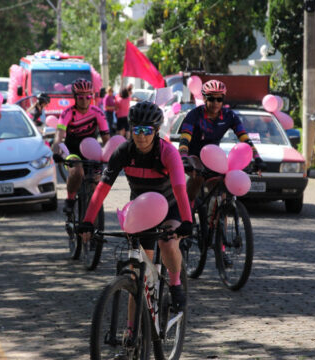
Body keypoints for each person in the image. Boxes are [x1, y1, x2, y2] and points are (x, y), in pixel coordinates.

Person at [78, 101, 193, 313]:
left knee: (167, 243)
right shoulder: (123, 151)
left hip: (170, 206)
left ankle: (176, 284)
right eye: (136, 129)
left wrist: (187, 221)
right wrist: (87, 220)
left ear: (157, 131)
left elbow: (179, 189)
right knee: (137, 274)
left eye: (147, 130)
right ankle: (132, 332)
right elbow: (103, 187)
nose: (141, 136)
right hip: (141, 210)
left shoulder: (168, 153)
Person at [179, 79, 266, 204]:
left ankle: (219, 215)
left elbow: (244, 138)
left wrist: (258, 158)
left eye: (219, 99)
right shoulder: (194, 115)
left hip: (214, 155)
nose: (215, 103)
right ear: (204, 99)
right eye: (211, 99)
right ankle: (186, 209)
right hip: (194, 154)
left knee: (220, 185)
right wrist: (183, 157)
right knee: (197, 178)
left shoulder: (229, 116)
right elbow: (184, 138)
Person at [52, 78, 110, 214]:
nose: (85, 100)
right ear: (75, 97)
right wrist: (55, 151)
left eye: (88, 96)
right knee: (77, 171)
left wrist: (113, 155)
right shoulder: (67, 113)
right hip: (72, 152)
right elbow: (59, 135)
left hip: (92, 152)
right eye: (81, 97)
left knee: (96, 183)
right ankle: (70, 200)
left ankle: (94, 219)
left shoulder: (98, 113)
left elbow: (107, 139)